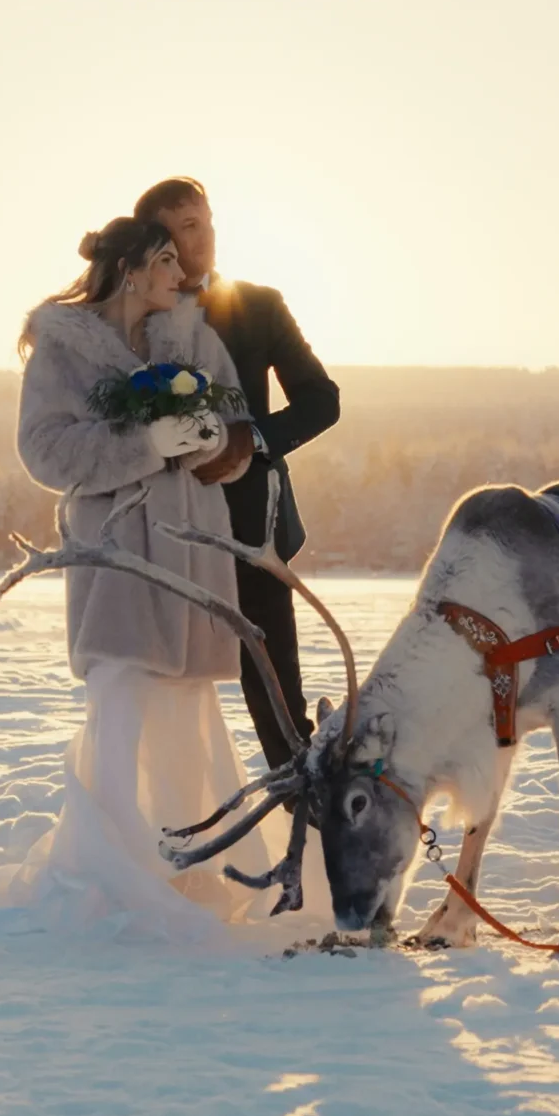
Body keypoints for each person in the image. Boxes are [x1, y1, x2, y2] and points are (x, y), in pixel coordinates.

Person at [0, 216, 277, 939]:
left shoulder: (196, 338)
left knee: (187, 716)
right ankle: (111, 875)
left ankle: (201, 870)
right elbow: (45, 451)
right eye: (168, 262)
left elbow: (240, 431)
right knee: (119, 702)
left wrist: (216, 445)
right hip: (118, 554)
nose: (182, 276)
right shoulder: (61, 348)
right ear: (132, 268)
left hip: (194, 552)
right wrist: (145, 443)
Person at [134, 177, 340, 768]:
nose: (206, 237)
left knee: (281, 711)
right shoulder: (135, 318)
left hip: (254, 527)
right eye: (188, 226)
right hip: (163, 530)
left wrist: (255, 438)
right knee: (158, 698)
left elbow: (322, 401)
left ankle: (308, 824)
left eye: (208, 219)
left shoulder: (260, 304)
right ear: (159, 242)